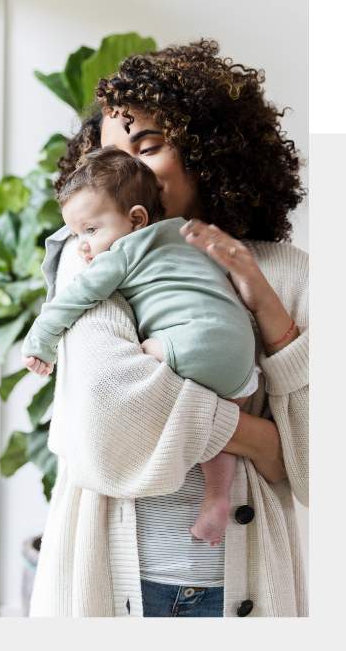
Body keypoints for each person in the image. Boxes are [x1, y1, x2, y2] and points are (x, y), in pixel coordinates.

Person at [28, 39, 308, 617]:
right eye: (107, 159)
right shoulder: (98, 257)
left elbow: (321, 469)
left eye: (147, 146)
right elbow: (109, 417)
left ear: (207, 149)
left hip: (249, 591)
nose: (125, 170)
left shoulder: (289, 271)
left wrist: (271, 313)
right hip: (110, 585)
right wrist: (260, 438)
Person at [22, 147, 261, 547]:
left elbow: (76, 298)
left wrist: (41, 341)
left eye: (90, 230)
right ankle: (217, 498)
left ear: (136, 219)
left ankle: (201, 493)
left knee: (144, 356)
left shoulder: (124, 251)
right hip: (240, 361)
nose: (81, 246)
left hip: (187, 344)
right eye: (76, 233)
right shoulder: (188, 233)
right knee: (220, 433)